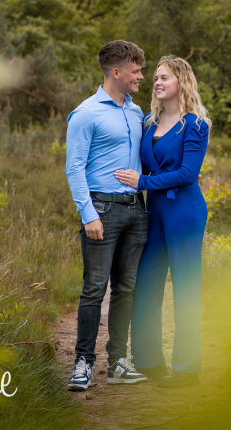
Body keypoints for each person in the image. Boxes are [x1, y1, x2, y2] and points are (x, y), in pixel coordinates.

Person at [115, 56, 211, 388]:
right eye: (155, 77)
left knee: (185, 287)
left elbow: (186, 174)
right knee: (146, 283)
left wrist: (141, 182)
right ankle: (149, 361)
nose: (156, 82)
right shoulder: (147, 122)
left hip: (185, 210)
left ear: (181, 81)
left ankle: (187, 370)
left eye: (164, 77)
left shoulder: (196, 124)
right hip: (153, 210)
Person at [65, 40, 150, 391]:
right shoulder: (85, 113)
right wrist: (88, 215)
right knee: (94, 289)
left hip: (136, 210)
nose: (141, 76)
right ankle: (83, 363)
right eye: (136, 70)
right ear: (116, 72)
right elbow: (74, 169)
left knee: (126, 290)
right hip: (102, 210)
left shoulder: (136, 112)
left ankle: (117, 362)